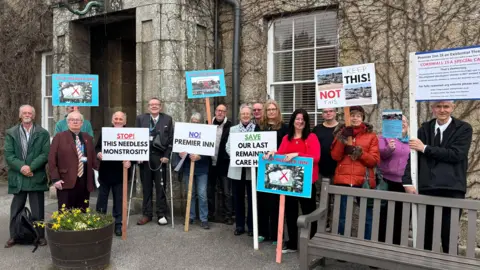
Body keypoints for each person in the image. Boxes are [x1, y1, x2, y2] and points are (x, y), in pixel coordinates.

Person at [403, 101, 472, 254]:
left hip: (452, 188)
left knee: (449, 236)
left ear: (453, 108)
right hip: (427, 187)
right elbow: (413, 157)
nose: (442, 110)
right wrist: (407, 181)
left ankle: (450, 266)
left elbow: (456, 154)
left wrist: (425, 148)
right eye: (438, 107)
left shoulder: (464, 128)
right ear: (432, 108)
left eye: (446, 107)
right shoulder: (424, 129)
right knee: (426, 236)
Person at [265, 108, 321, 253]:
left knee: (309, 212)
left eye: (303, 119)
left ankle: (311, 242)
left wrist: (297, 154)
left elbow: (316, 157)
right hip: (289, 183)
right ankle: (292, 244)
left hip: (306, 182)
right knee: (290, 213)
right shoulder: (286, 138)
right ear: (293, 120)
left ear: (306, 122)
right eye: (297, 119)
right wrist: (272, 153)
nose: (300, 121)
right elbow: (281, 154)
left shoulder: (312, 137)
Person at [331, 106, 379, 240]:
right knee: (343, 217)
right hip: (344, 181)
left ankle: (366, 245)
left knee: (366, 217)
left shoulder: (371, 136)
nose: (355, 118)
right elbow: (335, 156)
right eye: (352, 115)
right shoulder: (342, 133)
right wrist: (342, 139)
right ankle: (343, 244)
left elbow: (374, 161)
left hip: (363, 181)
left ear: (362, 118)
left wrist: (359, 152)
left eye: (358, 115)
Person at [4, 105, 50, 248]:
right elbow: (9, 155)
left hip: (36, 176)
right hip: (18, 177)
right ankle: (14, 236)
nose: (27, 114)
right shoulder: (11, 133)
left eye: (30, 112)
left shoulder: (43, 133)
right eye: (24, 112)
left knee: (38, 210)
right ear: (20, 115)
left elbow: (45, 154)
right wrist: (22, 167)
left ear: (34, 115)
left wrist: (31, 167)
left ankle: (40, 236)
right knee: (16, 209)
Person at [49, 111, 98, 211]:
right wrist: (55, 179)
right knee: (65, 213)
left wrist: (95, 177)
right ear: (68, 123)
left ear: (82, 123)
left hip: (84, 182)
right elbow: (52, 159)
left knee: (82, 212)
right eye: (72, 120)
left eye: (78, 120)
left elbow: (93, 158)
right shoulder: (59, 137)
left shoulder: (87, 138)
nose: (75, 122)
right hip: (65, 181)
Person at [254, 100, 288, 243]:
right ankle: (263, 232)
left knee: (275, 203)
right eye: (268, 110)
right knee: (261, 201)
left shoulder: (285, 128)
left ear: (278, 111)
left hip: (278, 170)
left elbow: (287, 147)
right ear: (265, 112)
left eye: (274, 109)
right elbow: (254, 146)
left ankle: (276, 235)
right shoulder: (260, 127)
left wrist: (277, 151)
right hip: (262, 168)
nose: (271, 112)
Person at [136, 97, 173, 226]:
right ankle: (147, 214)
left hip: (160, 158)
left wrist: (167, 156)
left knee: (161, 187)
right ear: (148, 107)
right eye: (151, 104)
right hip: (144, 158)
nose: (154, 106)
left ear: (161, 107)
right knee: (146, 187)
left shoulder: (167, 119)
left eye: (157, 104)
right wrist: (138, 155)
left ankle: (161, 214)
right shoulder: (141, 119)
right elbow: (136, 138)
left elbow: (170, 140)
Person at [95, 111, 132, 237]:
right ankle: (100, 224)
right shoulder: (106, 132)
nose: (118, 121)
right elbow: (97, 147)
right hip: (106, 171)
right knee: (102, 199)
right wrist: (98, 153)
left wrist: (130, 162)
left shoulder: (131, 134)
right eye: (115, 118)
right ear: (112, 121)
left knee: (119, 201)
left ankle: (118, 225)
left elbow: (137, 150)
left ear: (125, 121)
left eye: (120, 119)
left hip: (122, 172)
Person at [378, 115, 410, 244]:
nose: (402, 124)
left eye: (404, 121)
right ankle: (381, 246)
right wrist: (389, 149)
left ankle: (397, 247)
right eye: (399, 121)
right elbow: (380, 155)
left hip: (405, 183)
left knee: (402, 217)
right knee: (385, 216)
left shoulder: (412, 140)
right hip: (388, 182)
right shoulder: (384, 137)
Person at [226, 104, 256, 236]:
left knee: (251, 198)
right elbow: (228, 147)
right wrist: (237, 156)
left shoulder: (256, 129)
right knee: (237, 198)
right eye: (243, 113)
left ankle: (251, 226)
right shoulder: (233, 130)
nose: (245, 115)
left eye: (247, 113)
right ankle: (239, 225)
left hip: (251, 170)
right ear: (240, 115)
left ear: (251, 115)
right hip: (237, 168)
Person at [179, 113, 211, 229]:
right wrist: (182, 153)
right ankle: (190, 217)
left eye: (197, 121)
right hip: (188, 168)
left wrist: (200, 157)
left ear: (201, 122)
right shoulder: (185, 134)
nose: (195, 123)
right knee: (190, 194)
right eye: (193, 121)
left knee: (202, 194)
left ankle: (204, 219)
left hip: (202, 169)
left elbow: (209, 149)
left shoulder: (206, 133)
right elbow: (181, 146)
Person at [312, 108, 339, 230]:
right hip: (320, 169)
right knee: (322, 199)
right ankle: (324, 224)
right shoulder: (317, 129)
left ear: (335, 112)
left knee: (337, 200)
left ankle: (336, 226)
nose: (328, 113)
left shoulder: (342, 128)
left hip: (338, 170)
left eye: (331, 111)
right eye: (325, 111)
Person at [207, 104, 233, 224]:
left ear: (226, 113)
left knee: (226, 191)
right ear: (215, 111)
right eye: (218, 110)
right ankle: (210, 214)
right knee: (209, 190)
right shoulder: (207, 123)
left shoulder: (230, 126)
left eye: (223, 111)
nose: (220, 113)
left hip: (224, 163)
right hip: (209, 163)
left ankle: (228, 215)